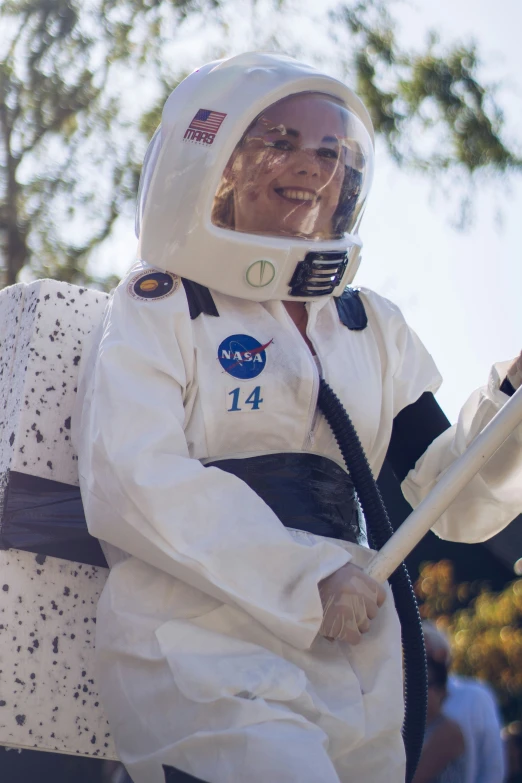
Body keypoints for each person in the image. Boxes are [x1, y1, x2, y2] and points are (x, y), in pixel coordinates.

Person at [73, 52, 522, 783]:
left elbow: (454, 498)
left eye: (330, 151)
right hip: (198, 642)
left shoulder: (367, 324)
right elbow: (134, 477)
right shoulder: (162, 306)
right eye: (279, 141)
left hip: (348, 651)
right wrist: (306, 579)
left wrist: (510, 401)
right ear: (212, 161)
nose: (312, 166)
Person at [423, 621, 506, 783]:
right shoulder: (403, 700)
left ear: (441, 655)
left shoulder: (475, 696)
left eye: (425, 654)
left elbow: (493, 764)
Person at [413, 656, 466, 783]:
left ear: (441, 691)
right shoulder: (414, 728)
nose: (414, 690)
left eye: (425, 684)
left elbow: (414, 776)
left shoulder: (449, 731)